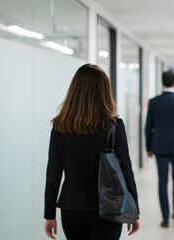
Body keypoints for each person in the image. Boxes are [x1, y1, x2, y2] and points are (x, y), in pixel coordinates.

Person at [44, 64, 140, 240]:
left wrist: (49, 214)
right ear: (104, 91)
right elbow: (126, 169)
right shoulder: (113, 126)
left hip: (71, 209)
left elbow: (53, 174)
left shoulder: (60, 126)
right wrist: (134, 209)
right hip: (108, 208)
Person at [145, 70, 174, 228]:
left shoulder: (154, 102)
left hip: (159, 145)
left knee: (162, 181)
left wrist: (148, 147)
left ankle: (165, 218)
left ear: (162, 82)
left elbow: (148, 127)